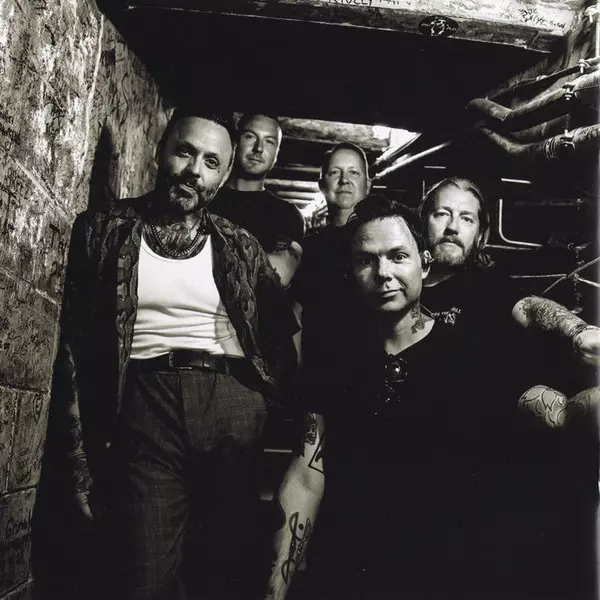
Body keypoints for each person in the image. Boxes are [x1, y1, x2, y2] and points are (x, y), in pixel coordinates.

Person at [55, 106, 299, 600]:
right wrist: (78, 458)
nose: (194, 170)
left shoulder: (240, 246)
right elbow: (75, 346)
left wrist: (260, 408)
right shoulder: (103, 229)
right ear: (160, 151)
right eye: (185, 152)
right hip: (145, 405)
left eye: (211, 162)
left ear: (223, 176)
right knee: (147, 576)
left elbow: (280, 339)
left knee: (223, 571)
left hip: (231, 400)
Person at [267, 195, 542, 600]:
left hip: (449, 574)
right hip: (351, 572)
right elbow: (306, 477)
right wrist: (274, 592)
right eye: (366, 260)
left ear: (424, 265)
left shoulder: (470, 354)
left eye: (398, 256)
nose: (383, 273)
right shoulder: (335, 358)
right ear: (351, 272)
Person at [419, 176, 600, 368]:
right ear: (422, 223)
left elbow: (531, 308)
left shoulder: (490, 286)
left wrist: (579, 332)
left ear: (479, 236)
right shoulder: (400, 280)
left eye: (466, 219)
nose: (452, 227)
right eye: (442, 214)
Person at [292, 142, 371, 368]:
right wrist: (296, 370)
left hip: (373, 368)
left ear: (367, 185)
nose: (344, 180)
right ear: (321, 185)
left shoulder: (384, 242)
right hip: (319, 371)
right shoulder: (309, 247)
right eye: (335, 172)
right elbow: (296, 314)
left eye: (354, 172)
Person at [209, 113, 305, 286]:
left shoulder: (288, 214)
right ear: (235, 142)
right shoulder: (205, 197)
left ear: (276, 154)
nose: (259, 148)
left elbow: (280, 273)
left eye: (269, 141)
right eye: (250, 136)